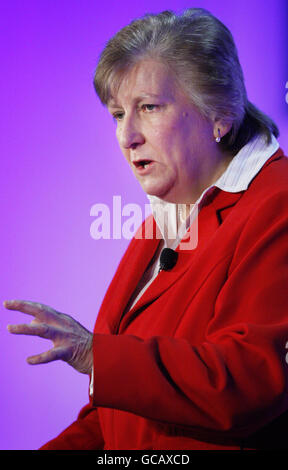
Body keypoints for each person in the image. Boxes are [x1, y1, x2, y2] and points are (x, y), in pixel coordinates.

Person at [3, 8, 288, 450]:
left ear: (220, 114)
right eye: (118, 114)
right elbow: (120, 417)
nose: (126, 135)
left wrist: (96, 355)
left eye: (149, 107)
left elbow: (252, 378)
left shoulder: (277, 202)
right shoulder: (162, 221)